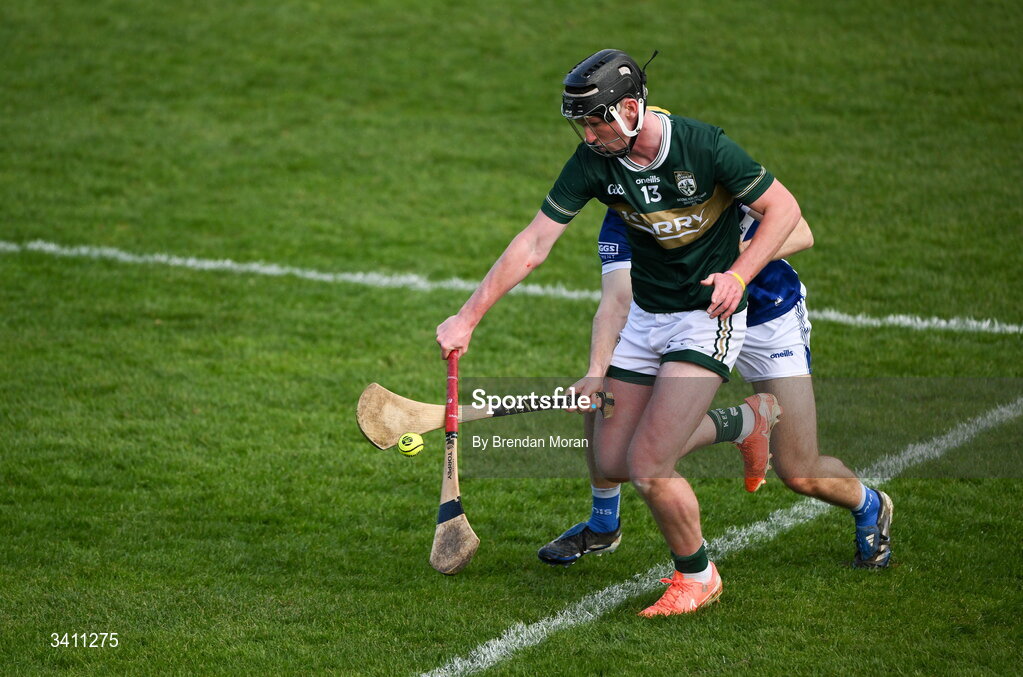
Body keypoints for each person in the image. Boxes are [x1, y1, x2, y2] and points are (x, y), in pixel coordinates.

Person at [438, 48, 798, 616]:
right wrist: (467, 316)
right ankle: (749, 421)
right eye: (580, 122)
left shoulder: (703, 147)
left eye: (596, 120)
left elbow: (784, 209)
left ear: (631, 108)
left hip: (705, 321)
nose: (588, 134)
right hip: (646, 322)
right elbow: (534, 243)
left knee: (649, 466)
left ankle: (697, 575)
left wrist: (738, 273)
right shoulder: (594, 162)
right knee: (610, 462)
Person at [537, 204, 893, 572]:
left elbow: (800, 231)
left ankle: (869, 504)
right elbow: (618, 299)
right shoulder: (623, 211)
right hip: (687, 324)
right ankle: (603, 524)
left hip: (764, 317)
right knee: (609, 397)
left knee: (799, 470)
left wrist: (719, 261)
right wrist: (596, 372)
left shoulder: (709, 173)